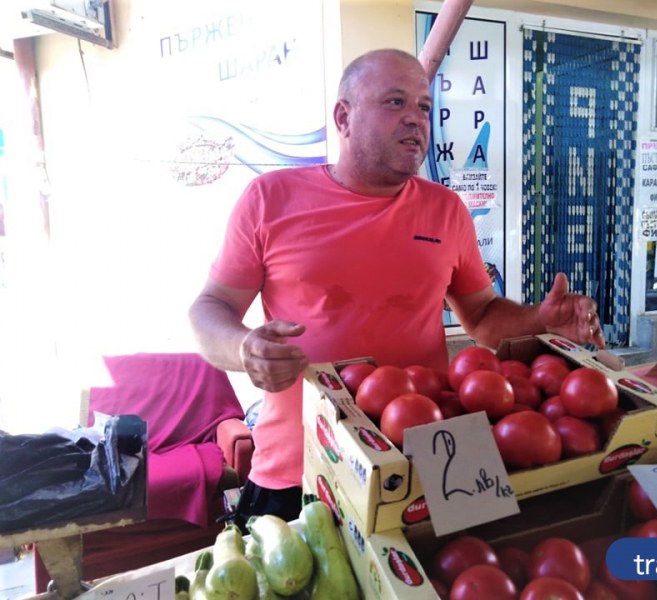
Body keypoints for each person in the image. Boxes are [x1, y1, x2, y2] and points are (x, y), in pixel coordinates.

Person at [188, 48, 605, 529]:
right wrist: (244, 348)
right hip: (303, 466)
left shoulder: (446, 210)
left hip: (438, 454)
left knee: (470, 577)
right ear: (344, 117)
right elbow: (209, 310)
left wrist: (539, 320)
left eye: (424, 107)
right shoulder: (270, 198)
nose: (416, 120)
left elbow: (483, 316)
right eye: (394, 102)